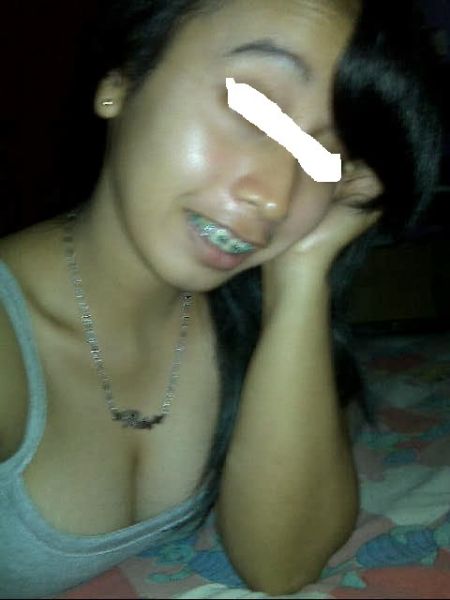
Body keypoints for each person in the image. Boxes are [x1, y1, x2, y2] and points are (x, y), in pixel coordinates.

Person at [0, 0, 443, 597]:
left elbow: (282, 562)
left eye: (325, 159)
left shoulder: (237, 318)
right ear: (122, 77)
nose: (275, 198)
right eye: (253, 108)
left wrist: (302, 273)